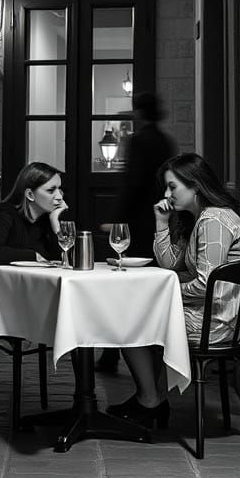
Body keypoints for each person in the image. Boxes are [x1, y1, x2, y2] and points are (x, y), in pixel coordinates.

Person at [106, 152, 240, 429]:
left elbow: (206, 284)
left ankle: (150, 401)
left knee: (124, 321)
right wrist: (162, 223)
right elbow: (171, 264)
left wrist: (162, 295)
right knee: (137, 317)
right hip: (211, 312)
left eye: (172, 186)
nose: (166, 193)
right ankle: (151, 399)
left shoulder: (214, 220)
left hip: (219, 321)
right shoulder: (201, 218)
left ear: (195, 185)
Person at [95, 91, 176, 373]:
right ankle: (150, 350)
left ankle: (111, 354)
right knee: (144, 290)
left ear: (140, 112)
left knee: (119, 290)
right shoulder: (165, 142)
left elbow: (133, 184)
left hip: (136, 224)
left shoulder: (139, 141)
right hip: (157, 222)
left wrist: (116, 221)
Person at [0, 161, 69, 269]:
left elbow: (62, 261)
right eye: (51, 190)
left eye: (60, 189)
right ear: (30, 195)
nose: (59, 196)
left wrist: (55, 222)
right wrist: (34, 256)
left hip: (38, 281)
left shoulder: (46, 219)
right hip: (7, 283)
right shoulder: (5, 213)